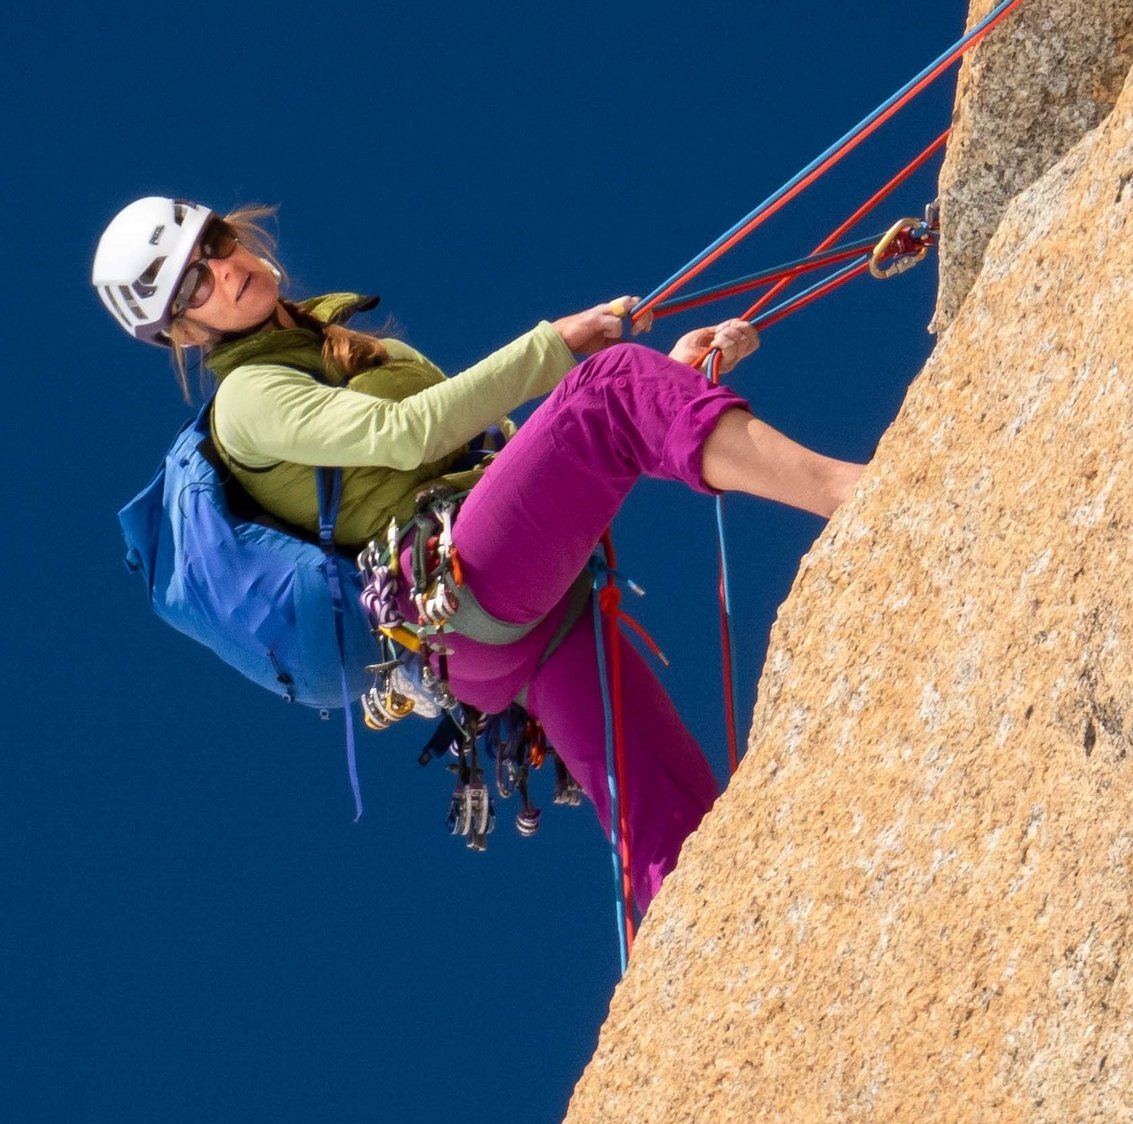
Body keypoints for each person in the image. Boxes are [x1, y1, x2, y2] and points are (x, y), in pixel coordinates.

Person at [95, 197, 867, 907]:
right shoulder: (248, 398)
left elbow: (496, 455)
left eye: (216, 242)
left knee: (672, 823)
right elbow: (406, 436)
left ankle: (713, 958)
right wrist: (558, 350)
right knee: (608, 389)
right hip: (459, 589)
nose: (223, 269)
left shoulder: (338, 347)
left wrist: (668, 387)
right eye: (193, 284)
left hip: (493, 618)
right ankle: (857, 492)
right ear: (183, 333)